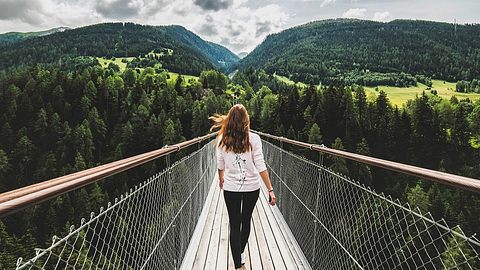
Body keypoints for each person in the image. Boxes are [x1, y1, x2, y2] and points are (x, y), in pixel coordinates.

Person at [210, 104, 276, 269]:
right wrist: (270, 189)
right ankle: (240, 255)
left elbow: (220, 164)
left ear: (229, 119)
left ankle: (238, 265)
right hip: (252, 188)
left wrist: (221, 178)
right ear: (246, 119)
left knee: (234, 223)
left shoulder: (221, 140)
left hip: (230, 188)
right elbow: (260, 165)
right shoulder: (254, 139)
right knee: (246, 220)